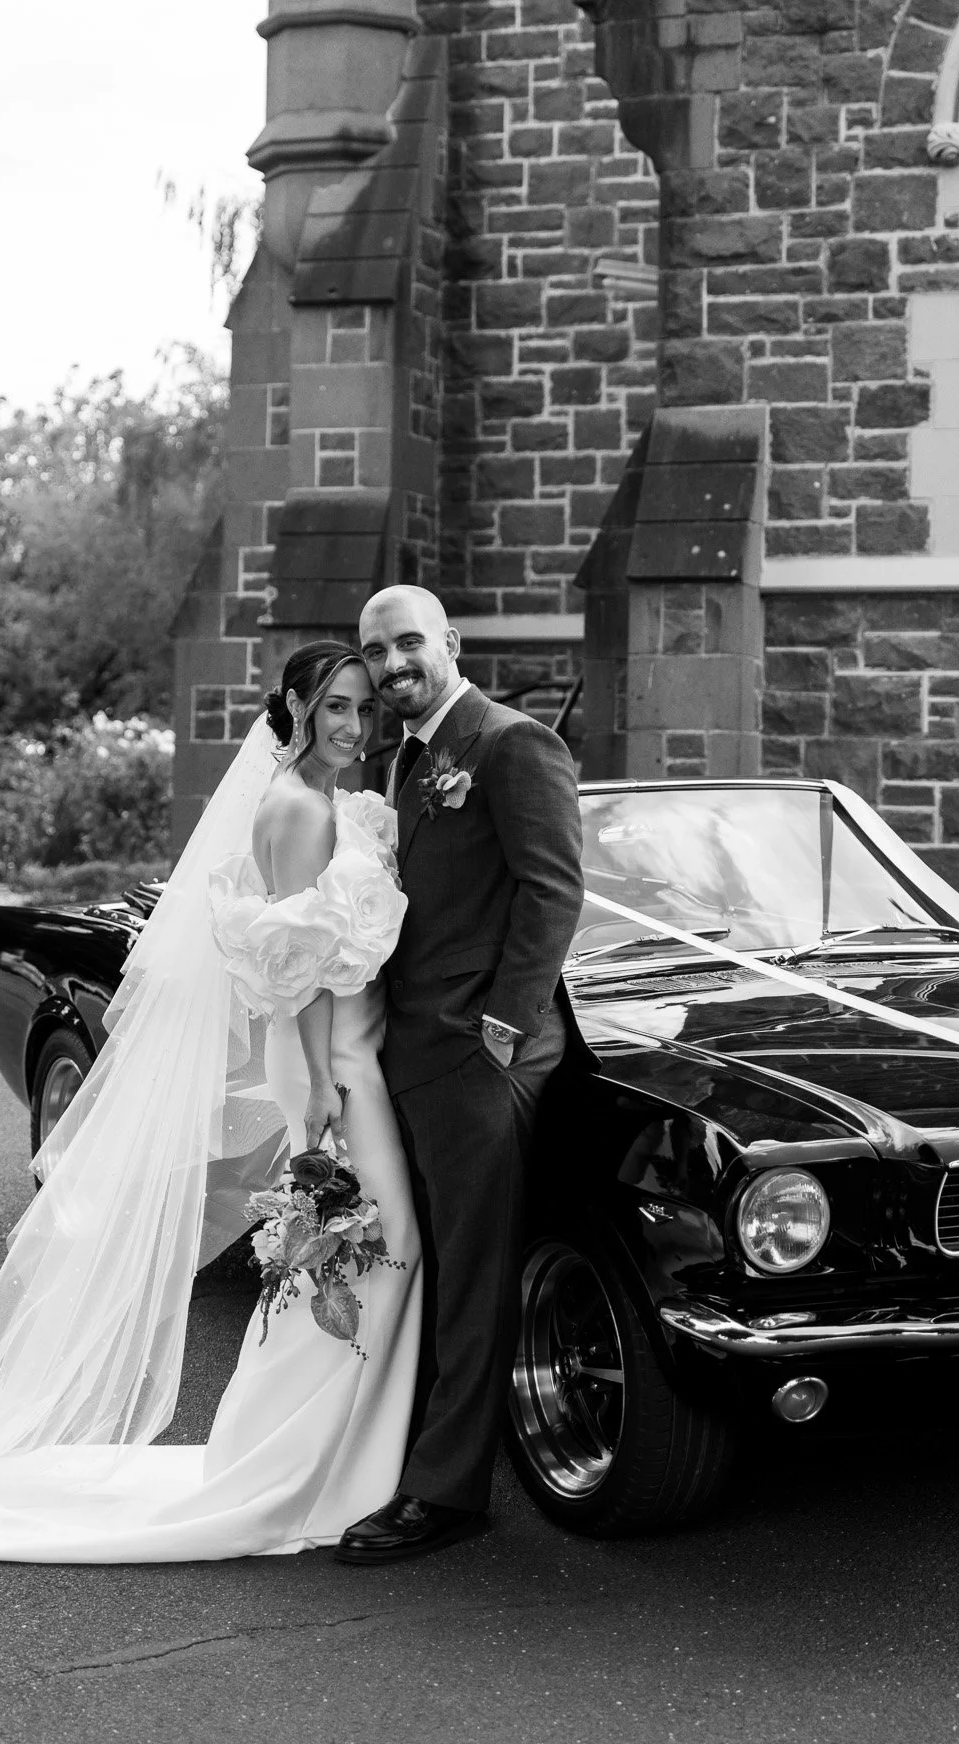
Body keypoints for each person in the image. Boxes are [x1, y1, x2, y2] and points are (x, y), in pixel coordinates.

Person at [0, 642, 423, 1562]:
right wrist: (321, 1086)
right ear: (294, 707)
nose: (353, 727)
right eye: (334, 709)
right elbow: (305, 972)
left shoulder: (316, 800)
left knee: (346, 1251)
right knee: (368, 1245)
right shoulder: (297, 808)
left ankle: (323, 1448)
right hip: (335, 1061)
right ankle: (306, 1459)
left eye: (362, 710)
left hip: (343, 1049)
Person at [337, 586, 584, 1565]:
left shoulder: (510, 743)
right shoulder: (404, 758)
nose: (393, 663)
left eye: (408, 643)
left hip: (479, 1061)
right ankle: (409, 1451)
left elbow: (554, 887)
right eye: (376, 650)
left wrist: (502, 1027)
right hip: (406, 1051)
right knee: (423, 1267)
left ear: (449, 642)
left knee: (473, 1281)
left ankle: (447, 1494)